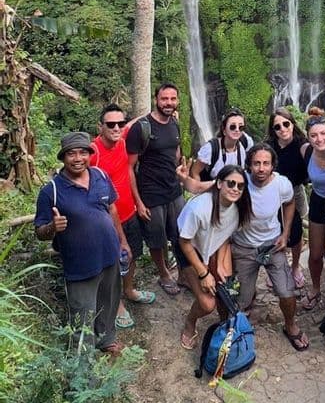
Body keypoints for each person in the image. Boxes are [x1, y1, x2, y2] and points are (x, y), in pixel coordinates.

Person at [34, 132, 131, 355]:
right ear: (63, 158)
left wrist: (122, 241)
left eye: (83, 152)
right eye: (71, 153)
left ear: (90, 154)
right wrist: (52, 227)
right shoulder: (52, 191)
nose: (78, 158)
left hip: (109, 256)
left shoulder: (100, 176)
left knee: (108, 303)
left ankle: (106, 340)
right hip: (80, 267)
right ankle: (82, 368)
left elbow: (112, 209)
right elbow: (40, 232)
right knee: (81, 317)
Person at [231, 143, 309, 351]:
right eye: (256, 163)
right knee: (242, 298)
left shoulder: (281, 184)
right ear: (248, 165)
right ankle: (244, 309)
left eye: (266, 163)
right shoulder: (239, 182)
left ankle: (291, 325)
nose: (261, 168)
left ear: (273, 165)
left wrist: (285, 233)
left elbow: (290, 202)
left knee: (286, 292)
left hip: (272, 245)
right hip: (244, 246)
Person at [90, 104, 156, 329]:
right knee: (111, 264)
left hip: (128, 213)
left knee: (132, 254)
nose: (116, 127)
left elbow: (130, 123)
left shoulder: (123, 138)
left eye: (119, 123)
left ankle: (129, 290)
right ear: (101, 127)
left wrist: (154, 112)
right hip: (106, 221)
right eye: (110, 124)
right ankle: (116, 303)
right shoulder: (93, 152)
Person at [177, 164, 253, 350]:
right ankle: (190, 322)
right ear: (219, 183)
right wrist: (204, 273)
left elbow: (224, 235)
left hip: (213, 247)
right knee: (207, 303)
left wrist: (218, 265)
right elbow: (184, 242)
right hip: (189, 247)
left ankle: (225, 323)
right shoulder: (199, 208)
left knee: (226, 288)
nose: (235, 189)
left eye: (240, 186)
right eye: (231, 183)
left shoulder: (238, 208)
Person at [126, 83, 184, 296]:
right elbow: (129, 168)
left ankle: (184, 271)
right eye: (164, 99)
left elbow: (176, 151)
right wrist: (138, 203)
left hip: (174, 190)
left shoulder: (174, 123)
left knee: (181, 232)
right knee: (156, 238)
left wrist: (181, 168)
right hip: (151, 193)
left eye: (172, 99)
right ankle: (164, 274)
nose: (168, 103)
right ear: (156, 100)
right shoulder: (141, 128)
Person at [265, 108, 308, 289]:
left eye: (286, 124)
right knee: (274, 231)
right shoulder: (269, 147)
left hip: (295, 191)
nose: (282, 129)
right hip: (272, 193)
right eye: (277, 127)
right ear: (273, 130)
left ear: (292, 124)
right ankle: (277, 268)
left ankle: (295, 266)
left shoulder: (303, 145)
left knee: (296, 232)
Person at [298, 113, 325, 311]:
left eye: (323, 133)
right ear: (308, 137)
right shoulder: (306, 151)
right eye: (314, 135)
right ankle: (315, 287)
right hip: (319, 201)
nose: (319, 139)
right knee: (315, 253)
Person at [188, 108, 254, 192]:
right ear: (224, 130)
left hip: (236, 191)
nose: (237, 130)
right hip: (213, 191)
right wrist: (199, 192)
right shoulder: (211, 149)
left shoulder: (246, 142)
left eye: (241, 127)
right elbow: (195, 171)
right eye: (232, 126)